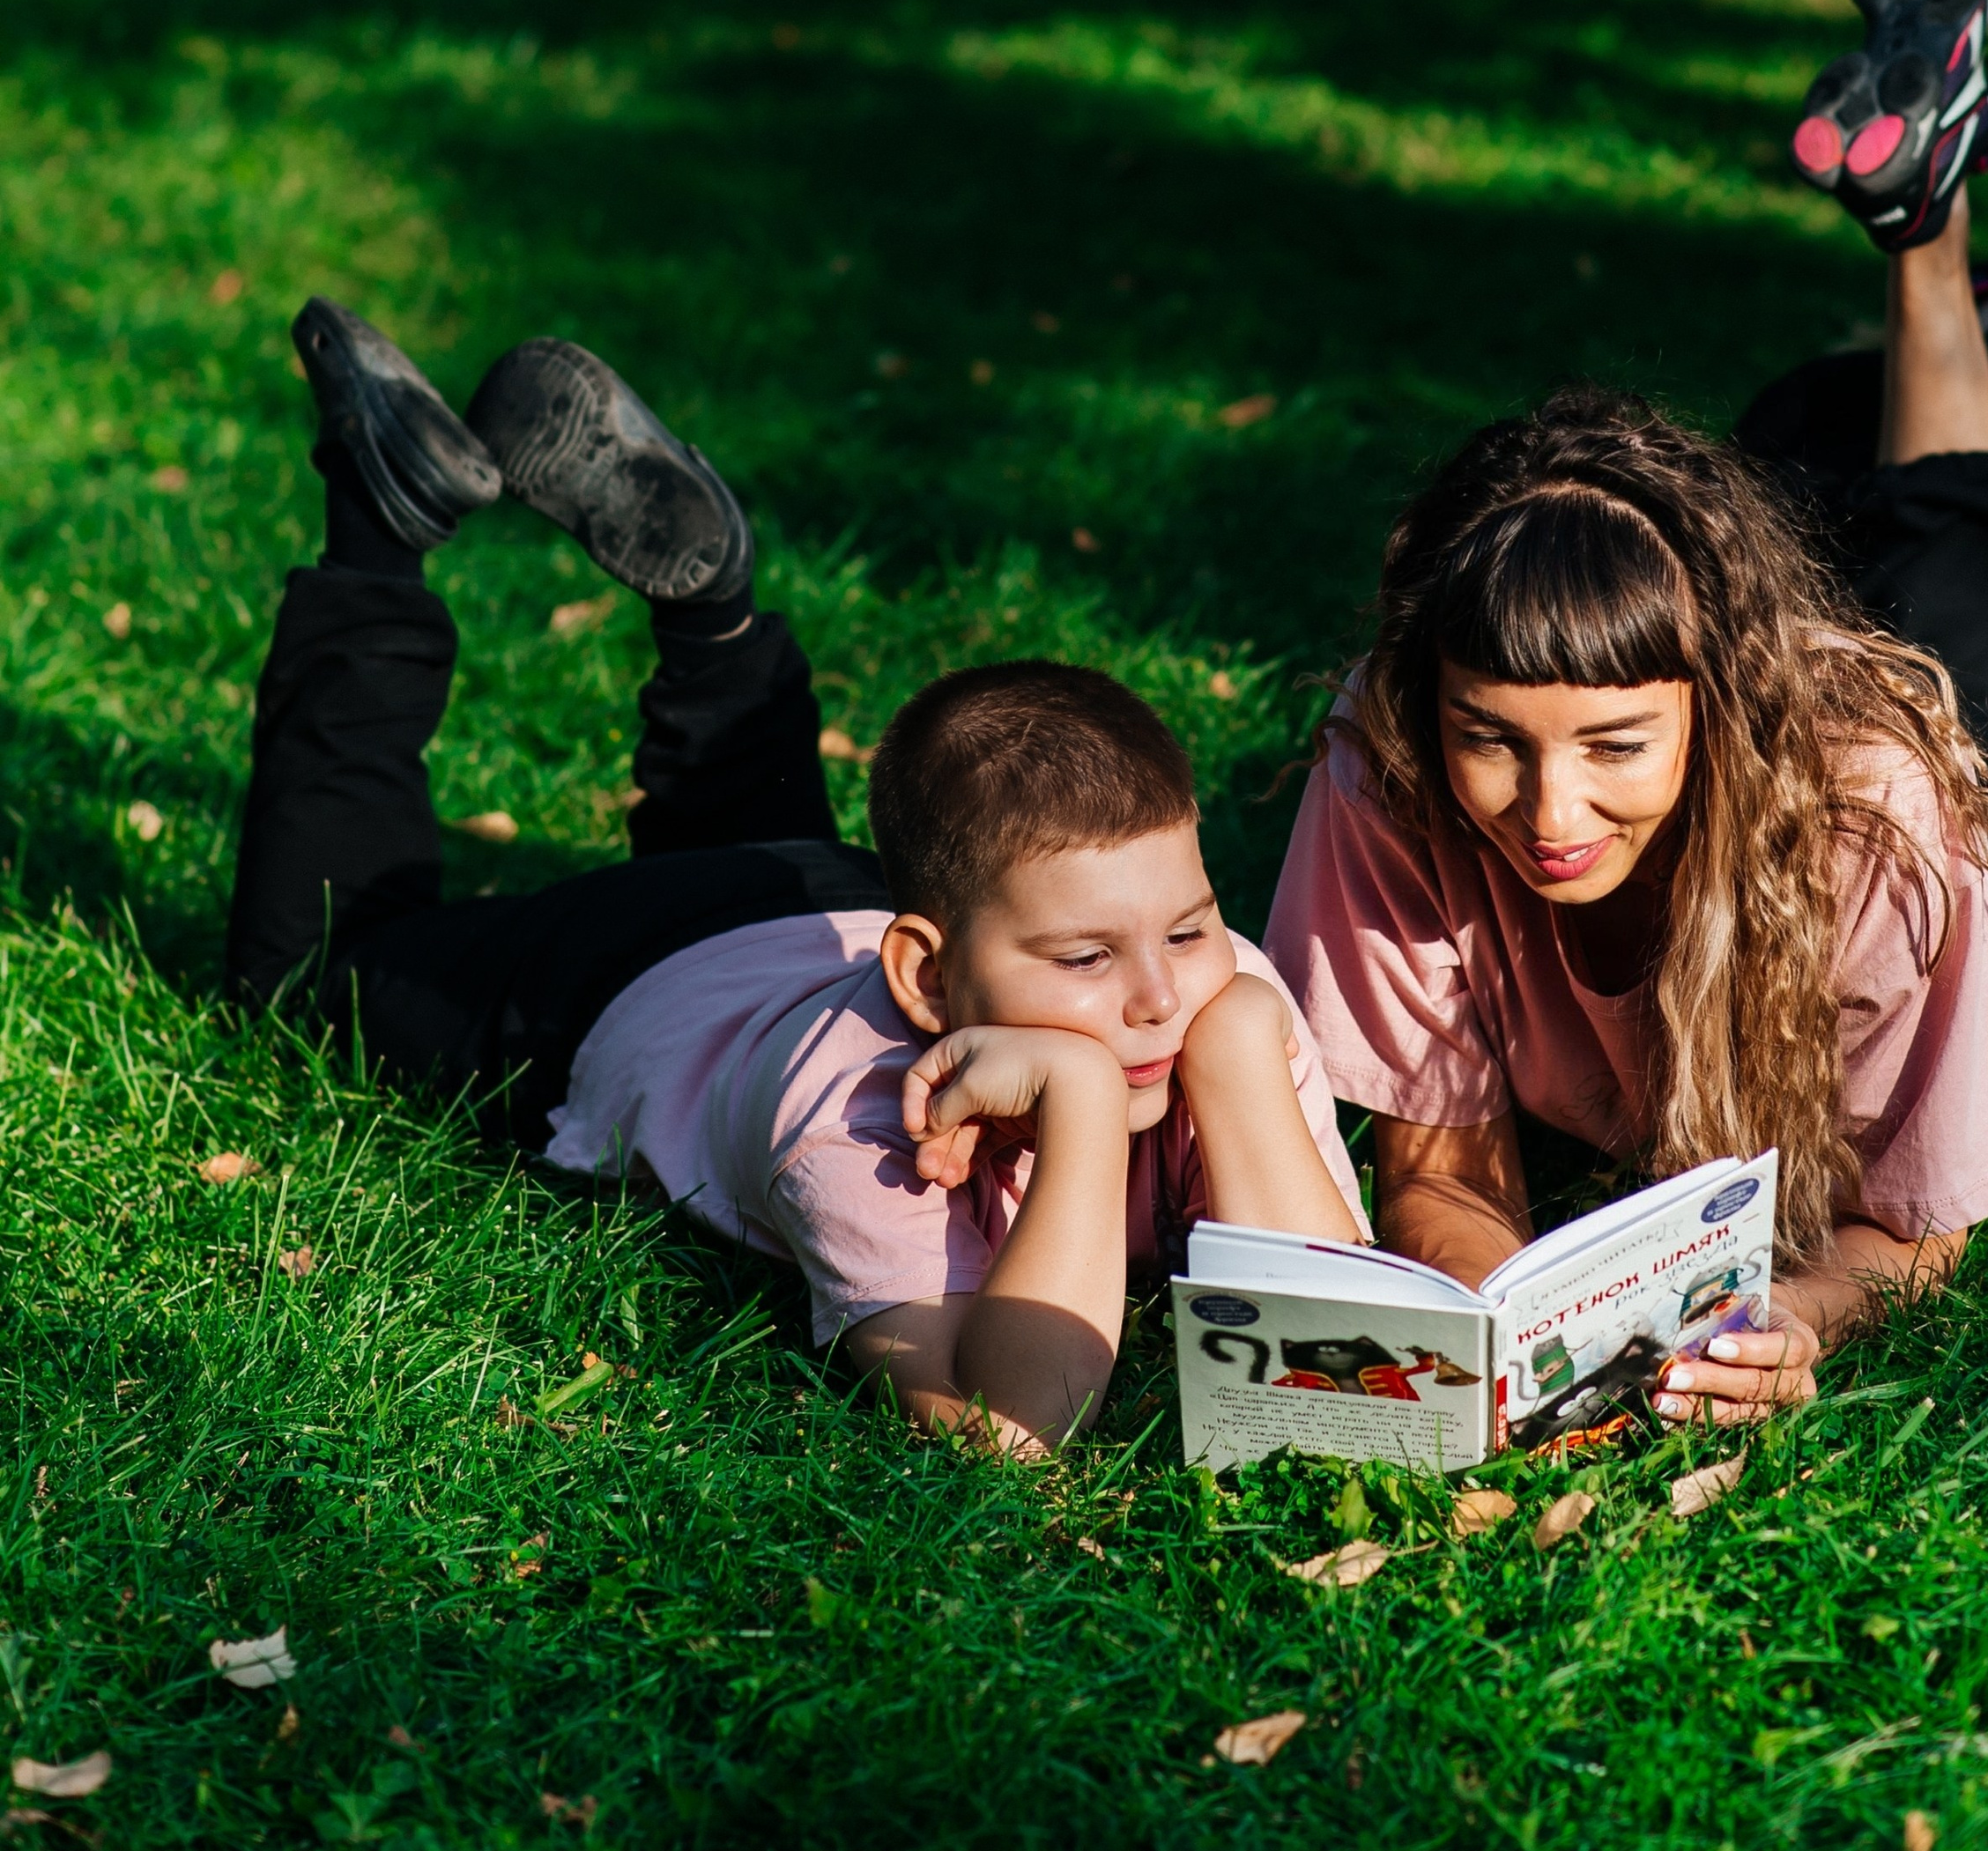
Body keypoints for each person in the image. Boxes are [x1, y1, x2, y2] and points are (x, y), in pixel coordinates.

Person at [1265, 0, 1988, 1432]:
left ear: (1721, 703)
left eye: (1615, 746)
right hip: (1747, 625)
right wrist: (1498, 1331)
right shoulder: (1386, 757)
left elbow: (1919, 1221)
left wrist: (1807, 1313)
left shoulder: (1879, 817)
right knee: (1801, 443)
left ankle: (1928, 233)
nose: (1548, 814)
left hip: (1979, 818)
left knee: (1953, 547)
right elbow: (1436, 1162)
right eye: (1493, 736)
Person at [226, 300, 1362, 1455]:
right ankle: (380, 520)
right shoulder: (863, 1117)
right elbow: (1009, 1432)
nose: (1161, 999)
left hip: (834, 896)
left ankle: (713, 611)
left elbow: (1356, 1362)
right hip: (624, 966)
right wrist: (1076, 1102)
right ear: (926, 980)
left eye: (1188, 932)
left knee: (779, 852)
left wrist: (1237, 1060)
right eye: (1086, 962)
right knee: (308, 970)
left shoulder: (1217, 1004)